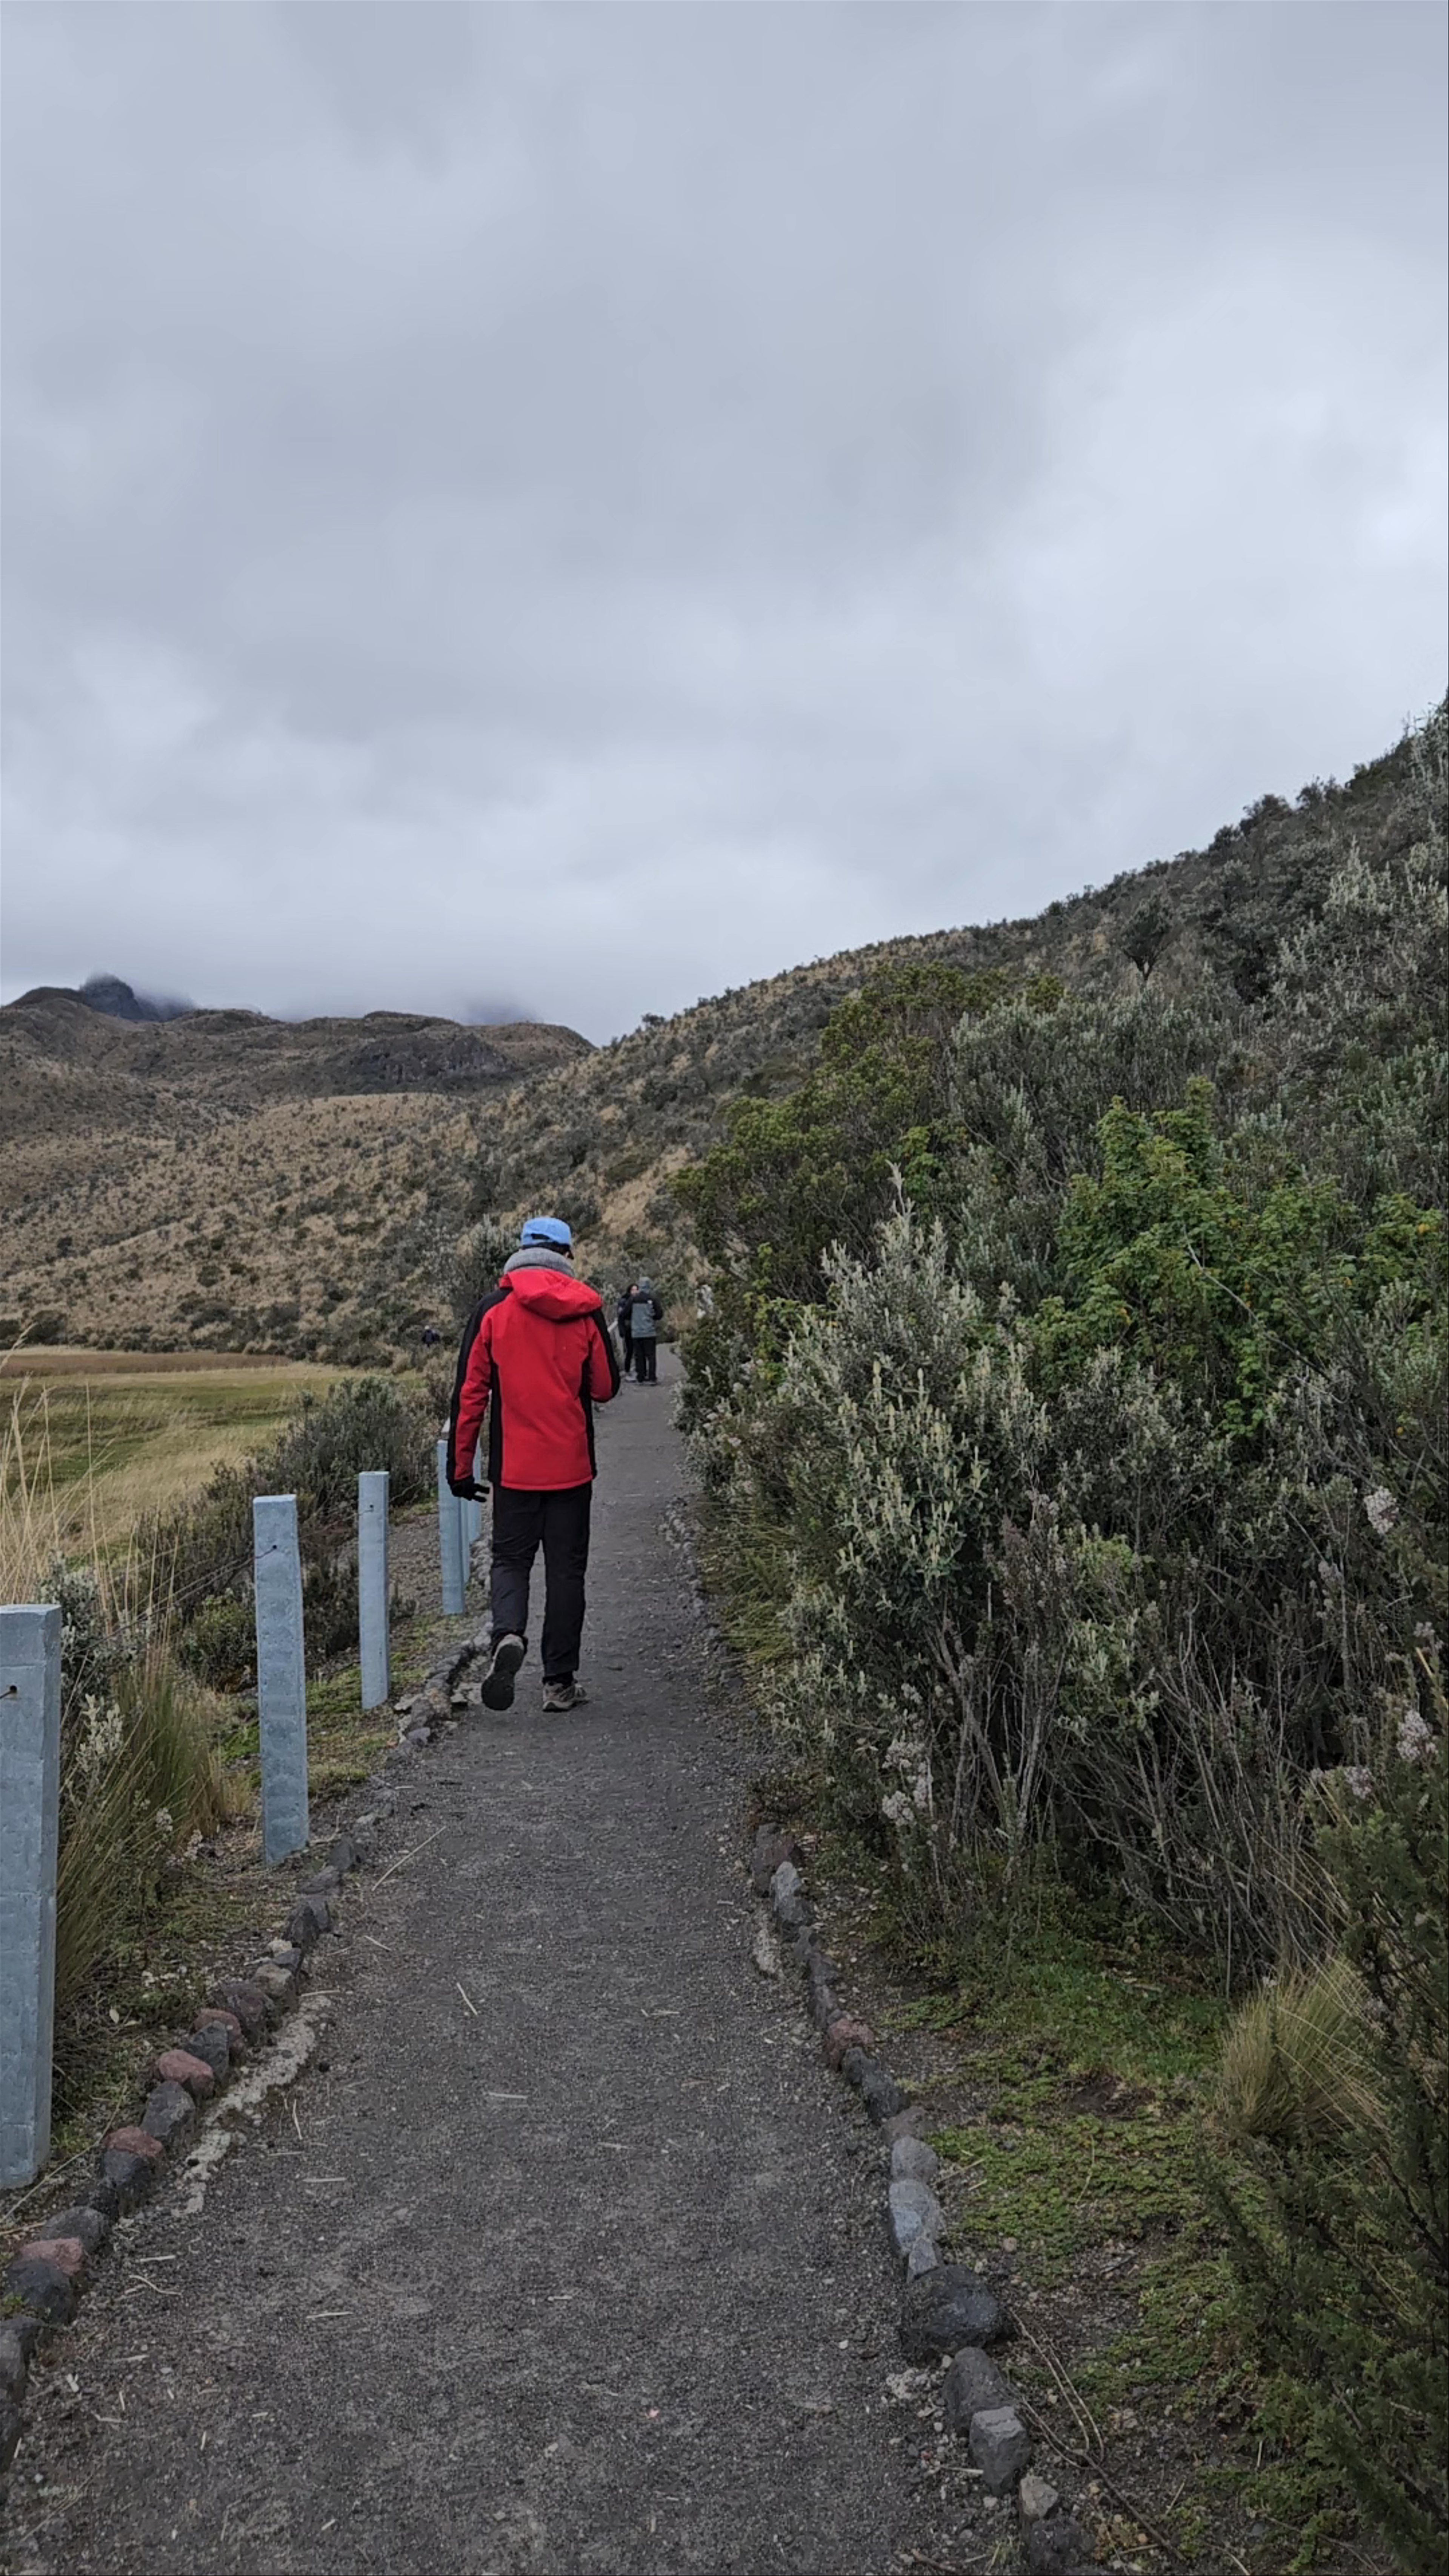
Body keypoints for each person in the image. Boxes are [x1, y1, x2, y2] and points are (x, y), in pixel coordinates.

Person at [446, 1216, 620, 1713]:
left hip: (514, 1471)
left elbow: (470, 1394)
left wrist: (461, 1469)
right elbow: (605, 1387)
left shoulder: (492, 1310)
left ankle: (507, 1634)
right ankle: (559, 1683)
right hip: (571, 1467)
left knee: (510, 1560)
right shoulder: (585, 1309)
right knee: (567, 1572)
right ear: (566, 1253)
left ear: (521, 1250)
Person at [630, 1277, 663, 1382]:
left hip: (637, 1332)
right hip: (650, 1331)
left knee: (640, 1356)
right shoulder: (653, 1298)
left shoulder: (633, 1299)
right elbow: (660, 1314)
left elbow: (625, 1313)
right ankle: (652, 1378)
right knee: (651, 1356)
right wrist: (652, 1318)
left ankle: (641, 1377)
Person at [615, 1282, 636, 1379]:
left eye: (636, 1290)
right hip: (628, 1329)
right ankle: (628, 1370)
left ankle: (638, 1369)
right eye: (633, 1290)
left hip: (637, 1328)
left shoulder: (638, 1300)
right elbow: (620, 1317)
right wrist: (621, 1330)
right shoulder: (624, 1301)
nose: (635, 1292)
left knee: (638, 1350)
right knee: (630, 1350)